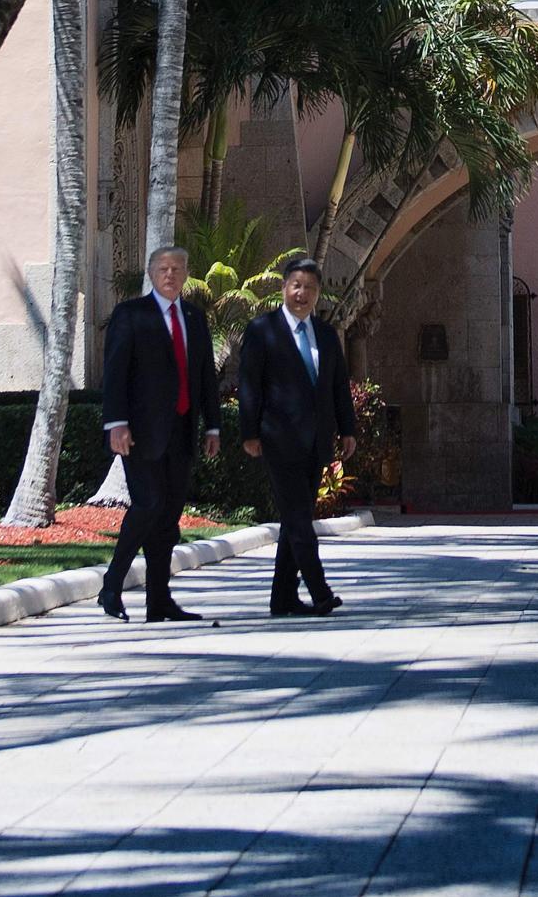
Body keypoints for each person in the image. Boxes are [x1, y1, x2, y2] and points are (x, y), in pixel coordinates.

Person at [98, 245, 222, 623]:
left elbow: (205, 377)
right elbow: (115, 372)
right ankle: (112, 584)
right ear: (151, 274)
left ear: (186, 275)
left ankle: (159, 601)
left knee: (168, 517)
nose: (170, 274)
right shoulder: (130, 315)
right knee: (147, 504)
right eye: (163, 268)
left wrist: (213, 425)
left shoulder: (195, 318)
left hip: (182, 431)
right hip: (140, 432)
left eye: (177, 268)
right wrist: (115, 422)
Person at [237, 256, 357, 617]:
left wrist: (347, 428)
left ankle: (283, 598)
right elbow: (249, 386)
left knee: (296, 517)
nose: (302, 293)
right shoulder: (262, 330)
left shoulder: (326, 334)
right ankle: (320, 592)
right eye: (296, 285)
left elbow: (337, 386)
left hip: (316, 441)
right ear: (284, 288)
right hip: (277, 439)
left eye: (309, 288)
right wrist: (249, 432)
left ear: (318, 293)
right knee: (300, 519)